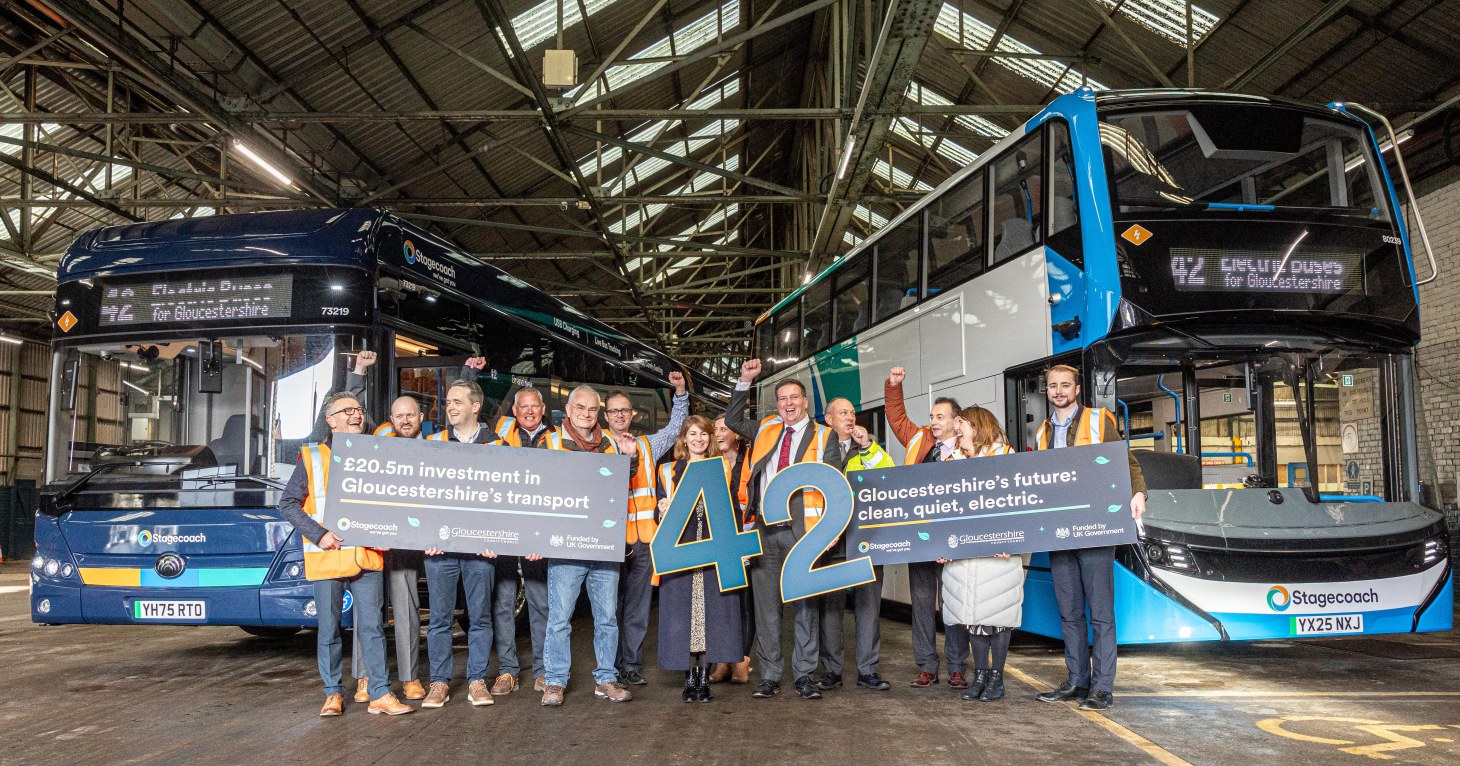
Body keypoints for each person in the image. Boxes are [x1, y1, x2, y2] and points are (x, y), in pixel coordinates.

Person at [277, 391, 412, 716]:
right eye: (347, 410)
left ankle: (380, 693)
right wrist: (319, 534)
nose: (355, 414)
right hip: (328, 557)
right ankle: (333, 693)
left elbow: (390, 502)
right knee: (329, 628)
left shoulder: (376, 454)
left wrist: (387, 533)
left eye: (359, 409)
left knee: (373, 628)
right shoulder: (311, 457)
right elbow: (287, 504)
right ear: (331, 419)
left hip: (366, 556)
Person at [723, 359, 846, 701]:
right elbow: (733, 421)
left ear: (805, 402)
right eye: (781, 399)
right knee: (766, 607)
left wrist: (831, 527)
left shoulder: (825, 436)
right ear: (776, 404)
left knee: (805, 605)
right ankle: (770, 675)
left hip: (805, 531)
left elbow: (835, 484)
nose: (788, 403)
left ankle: (804, 675)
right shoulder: (765, 429)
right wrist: (745, 379)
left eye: (794, 397)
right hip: (765, 529)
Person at [1032, 364, 1147, 712]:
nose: (1058, 391)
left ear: (1077, 389)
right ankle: (1077, 681)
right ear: (1047, 391)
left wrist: (1139, 493)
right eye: (1052, 386)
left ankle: (1102, 687)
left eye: (1065, 385)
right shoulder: (1042, 432)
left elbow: (1126, 463)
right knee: (1069, 613)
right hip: (1060, 531)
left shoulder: (1099, 420)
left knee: (1100, 612)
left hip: (1097, 528)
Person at [540, 384, 641, 706]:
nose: (586, 414)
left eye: (592, 409)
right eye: (580, 408)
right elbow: (539, 488)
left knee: (607, 618)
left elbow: (623, 482)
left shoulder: (611, 444)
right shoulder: (551, 442)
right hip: (567, 548)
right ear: (568, 411)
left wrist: (631, 459)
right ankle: (554, 681)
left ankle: (606, 679)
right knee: (559, 618)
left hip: (603, 546)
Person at [343, 351, 427, 704]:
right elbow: (353, 415)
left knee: (406, 609)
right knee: (368, 610)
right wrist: (359, 373)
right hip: (372, 541)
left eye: (410, 415)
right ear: (390, 419)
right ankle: (365, 678)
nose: (404, 420)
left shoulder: (435, 448)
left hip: (407, 544)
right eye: (399, 416)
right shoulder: (377, 438)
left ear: (421, 418)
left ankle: (409, 678)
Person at [418, 379, 505, 709]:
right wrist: (425, 535)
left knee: (480, 617)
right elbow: (421, 495)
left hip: (480, 550)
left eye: (457, 401)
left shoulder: (496, 446)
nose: (450, 406)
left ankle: (477, 681)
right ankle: (439, 683)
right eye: (448, 401)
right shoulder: (433, 443)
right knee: (439, 618)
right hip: (440, 549)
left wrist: (494, 538)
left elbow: (504, 501)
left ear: (475, 407)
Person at [884, 366, 970, 689]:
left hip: (952, 542)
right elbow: (896, 418)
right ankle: (927, 666)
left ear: (955, 421)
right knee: (921, 604)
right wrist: (894, 386)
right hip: (919, 539)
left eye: (940, 417)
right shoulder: (919, 437)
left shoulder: (967, 447)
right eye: (932, 416)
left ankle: (957, 666)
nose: (933, 421)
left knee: (953, 603)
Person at [605, 372, 689, 686]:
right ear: (606, 415)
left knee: (637, 609)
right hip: (610, 541)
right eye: (614, 411)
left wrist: (680, 393)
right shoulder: (597, 446)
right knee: (609, 608)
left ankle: (631, 665)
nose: (620, 416)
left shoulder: (647, 444)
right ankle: (609, 666)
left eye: (625, 410)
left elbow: (675, 429)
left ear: (632, 414)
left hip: (643, 541)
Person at [654, 415, 743, 703]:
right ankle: (688, 676)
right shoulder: (667, 470)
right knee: (683, 616)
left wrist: (738, 550)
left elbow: (732, 511)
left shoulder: (722, 468)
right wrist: (663, 509)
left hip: (713, 551)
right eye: (692, 434)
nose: (698, 439)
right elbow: (659, 514)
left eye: (703, 434)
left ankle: (703, 676)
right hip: (681, 551)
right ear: (683, 438)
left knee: (708, 616)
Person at [940, 406, 1026, 703]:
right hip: (965, 558)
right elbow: (941, 511)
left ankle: (996, 678)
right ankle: (978, 677)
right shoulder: (950, 461)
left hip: (998, 555)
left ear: (978, 426)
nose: (956, 429)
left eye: (961, 424)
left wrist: (1014, 541)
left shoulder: (1006, 457)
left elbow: (1022, 504)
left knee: (998, 616)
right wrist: (941, 546)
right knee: (973, 617)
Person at [478, 378, 552, 697]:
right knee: (503, 601)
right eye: (524, 407)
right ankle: (508, 671)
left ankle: (543, 670)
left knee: (540, 602)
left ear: (543, 410)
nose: (529, 412)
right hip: (506, 530)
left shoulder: (556, 439)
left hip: (537, 534)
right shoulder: (499, 436)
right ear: (515, 410)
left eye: (535, 406)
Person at [815, 397, 894, 693]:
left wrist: (868, 446)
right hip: (832, 542)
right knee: (831, 608)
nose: (849, 417)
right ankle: (832, 670)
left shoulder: (869, 449)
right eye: (842, 413)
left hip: (867, 541)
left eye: (852, 413)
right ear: (828, 418)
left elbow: (888, 476)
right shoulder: (819, 449)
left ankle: (867, 670)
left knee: (868, 606)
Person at [706, 416, 754, 685]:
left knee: (746, 601)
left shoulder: (752, 456)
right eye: (715, 429)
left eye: (724, 428)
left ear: (737, 433)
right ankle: (723, 658)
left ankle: (742, 660)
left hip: (747, 534)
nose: (718, 433)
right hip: (720, 537)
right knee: (724, 600)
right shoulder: (711, 461)